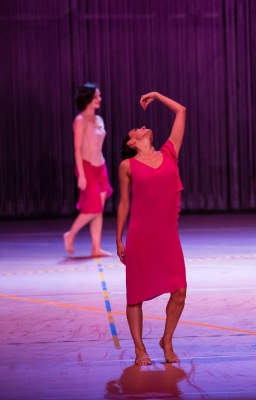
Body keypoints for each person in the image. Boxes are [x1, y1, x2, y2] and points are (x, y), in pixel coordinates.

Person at [116, 92, 187, 365]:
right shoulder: (127, 165)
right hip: (140, 234)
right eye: (136, 129)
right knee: (136, 295)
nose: (142, 126)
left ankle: (166, 341)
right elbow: (124, 205)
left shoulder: (169, 153)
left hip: (168, 233)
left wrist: (157, 95)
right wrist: (119, 239)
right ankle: (139, 349)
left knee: (179, 291)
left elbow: (181, 110)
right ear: (132, 142)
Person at [63, 83, 113, 256]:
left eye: (99, 96)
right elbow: (77, 149)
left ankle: (96, 248)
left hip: (101, 165)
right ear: (88, 98)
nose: (99, 99)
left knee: (99, 208)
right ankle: (70, 234)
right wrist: (81, 175)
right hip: (86, 166)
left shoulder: (99, 120)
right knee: (92, 208)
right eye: (96, 96)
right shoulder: (80, 120)